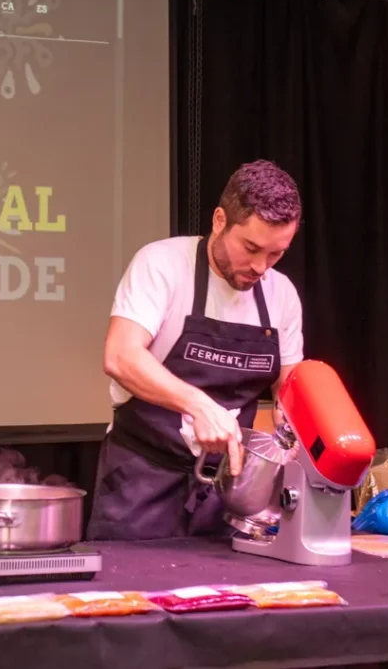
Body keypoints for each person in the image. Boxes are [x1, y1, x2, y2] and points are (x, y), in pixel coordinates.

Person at [86, 159, 304, 541]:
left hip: (228, 494)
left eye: (275, 254)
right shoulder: (163, 265)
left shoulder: (281, 294)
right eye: (251, 248)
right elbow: (120, 355)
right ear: (220, 220)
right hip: (141, 483)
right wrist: (199, 405)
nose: (260, 267)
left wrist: (297, 431)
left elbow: (289, 390)